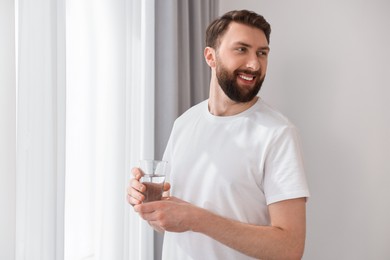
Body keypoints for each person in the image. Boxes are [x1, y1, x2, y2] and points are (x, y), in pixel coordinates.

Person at [127, 9, 310, 260]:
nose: (254, 64)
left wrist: (197, 219)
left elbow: (289, 248)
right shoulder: (184, 123)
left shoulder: (277, 134)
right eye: (241, 49)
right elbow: (168, 226)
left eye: (262, 53)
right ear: (210, 56)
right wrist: (150, 205)